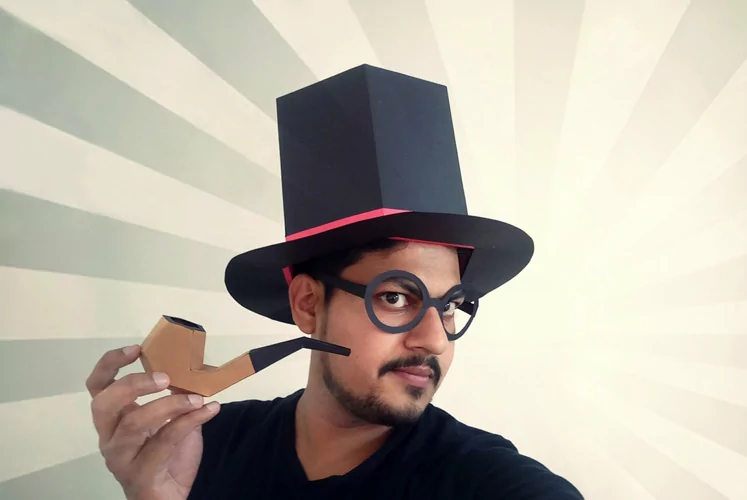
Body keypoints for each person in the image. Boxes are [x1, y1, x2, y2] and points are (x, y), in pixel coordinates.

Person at [87, 64, 584, 499]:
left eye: (451, 305)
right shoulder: (202, 447)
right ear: (307, 302)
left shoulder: (484, 481)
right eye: (395, 297)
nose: (435, 340)